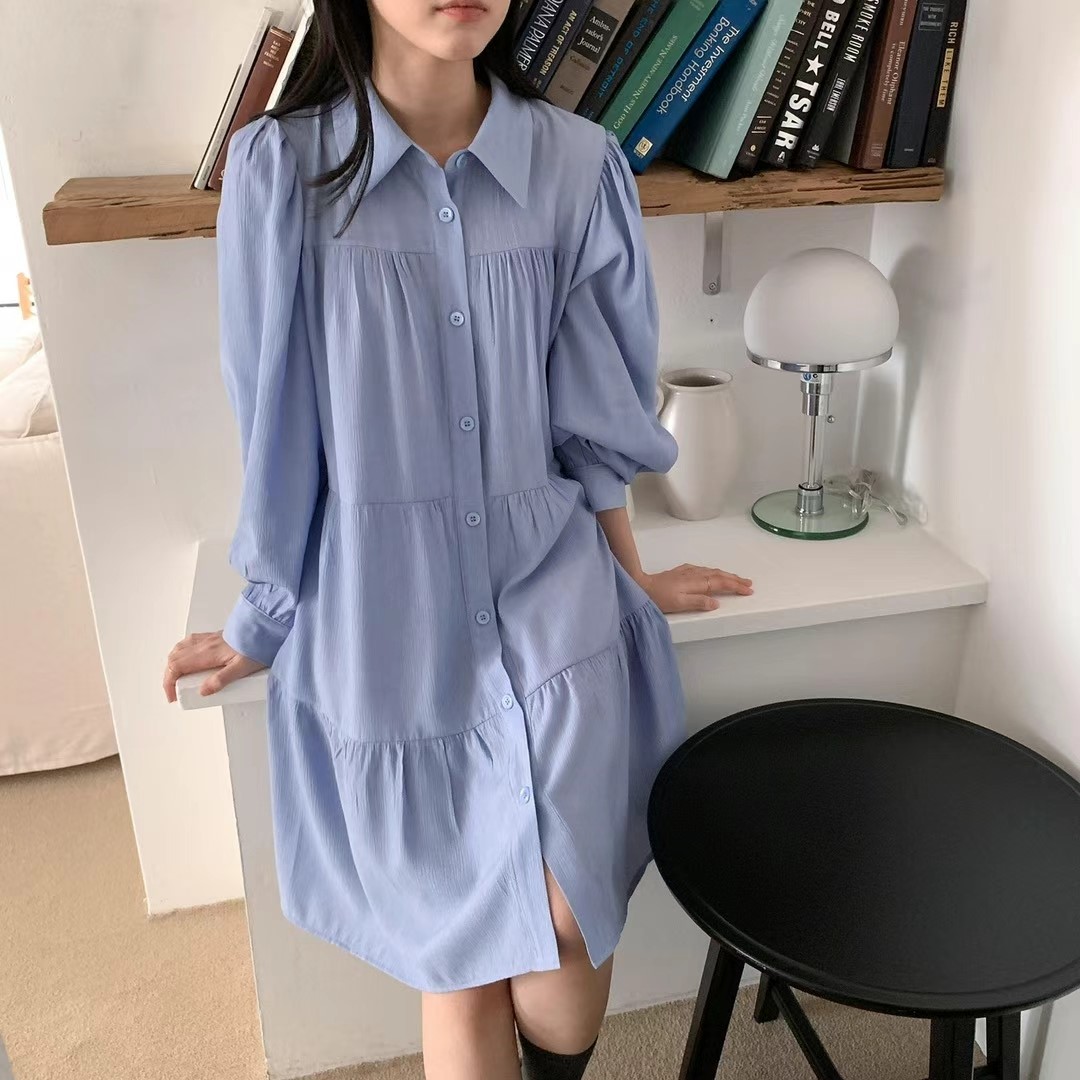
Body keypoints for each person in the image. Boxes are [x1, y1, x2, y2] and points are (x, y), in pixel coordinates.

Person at [163, 2, 753, 1077]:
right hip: (381, 606)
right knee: (462, 953)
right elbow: (276, 427)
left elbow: (593, 416)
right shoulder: (283, 171)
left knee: (566, 921)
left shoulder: (578, 166)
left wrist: (632, 580)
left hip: (549, 577)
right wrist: (264, 616)